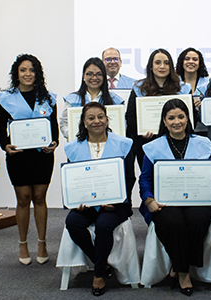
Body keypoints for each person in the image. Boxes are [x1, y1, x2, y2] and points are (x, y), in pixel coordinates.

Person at [139, 99, 211, 296]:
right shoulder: (153, 147)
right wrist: (149, 200)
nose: (177, 121)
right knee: (173, 222)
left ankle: (179, 267)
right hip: (164, 201)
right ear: (164, 121)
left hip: (196, 199)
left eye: (181, 116)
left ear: (188, 118)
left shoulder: (203, 144)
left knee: (199, 219)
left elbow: (208, 174)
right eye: (171, 118)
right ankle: (184, 273)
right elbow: (145, 179)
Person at [64, 102, 135, 296]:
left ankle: (98, 275)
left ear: (107, 119)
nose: (97, 121)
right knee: (72, 222)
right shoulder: (73, 148)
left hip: (115, 204)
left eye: (100, 117)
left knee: (104, 224)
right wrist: (76, 200)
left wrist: (117, 199)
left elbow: (129, 178)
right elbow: (73, 180)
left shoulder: (124, 144)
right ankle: (101, 264)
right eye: (91, 118)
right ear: (84, 122)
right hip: (86, 205)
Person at [0, 54, 58, 266]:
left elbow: (54, 127)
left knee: (40, 197)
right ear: (16, 73)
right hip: (18, 155)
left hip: (42, 155)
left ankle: (42, 243)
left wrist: (54, 143)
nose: (27, 74)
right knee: (23, 198)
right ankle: (22, 243)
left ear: (37, 73)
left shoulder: (48, 98)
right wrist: (5, 145)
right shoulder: (6, 98)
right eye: (23, 70)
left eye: (32, 70)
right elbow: (0, 127)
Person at [125, 49, 192, 194]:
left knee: (176, 179)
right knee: (151, 180)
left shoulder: (183, 88)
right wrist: (142, 132)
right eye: (158, 62)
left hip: (176, 141)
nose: (162, 66)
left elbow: (190, 117)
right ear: (150, 66)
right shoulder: (138, 88)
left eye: (166, 63)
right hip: (147, 142)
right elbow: (131, 116)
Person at [59, 57, 124, 139]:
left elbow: (122, 125)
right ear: (83, 76)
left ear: (104, 77)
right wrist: (71, 136)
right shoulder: (72, 100)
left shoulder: (116, 101)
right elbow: (64, 123)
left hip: (108, 145)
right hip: (80, 145)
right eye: (89, 74)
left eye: (99, 74)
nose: (94, 78)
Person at [176, 48, 209, 134]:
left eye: (195, 59)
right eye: (187, 59)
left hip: (205, 129)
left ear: (200, 63)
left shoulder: (209, 83)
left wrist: (205, 105)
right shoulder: (174, 84)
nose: (191, 62)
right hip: (180, 129)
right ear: (181, 62)